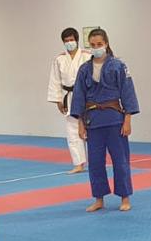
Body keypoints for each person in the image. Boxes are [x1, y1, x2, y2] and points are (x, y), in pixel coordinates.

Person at [71, 29, 139, 213]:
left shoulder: (118, 66)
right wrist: (80, 124)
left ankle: (125, 197)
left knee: (120, 160)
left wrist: (127, 119)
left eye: (99, 44)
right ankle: (99, 199)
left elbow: (127, 92)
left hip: (114, 119)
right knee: (95, 163)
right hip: (93, 121)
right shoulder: (84, 69)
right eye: (92, 45)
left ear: (106, 44)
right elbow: (79, 97)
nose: (96, 48)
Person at [47, 27, 87, 174]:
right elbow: (55, 80)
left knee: (91, 129)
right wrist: (58, 100)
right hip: (69, 97)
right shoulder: (59, 59)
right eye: (66, 41)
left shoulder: (87, 56)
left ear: (77, 40)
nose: (69, 43)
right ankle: (78, 164)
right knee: (72, 131)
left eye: (71, 40)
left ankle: (97, 161)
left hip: (87, 96)